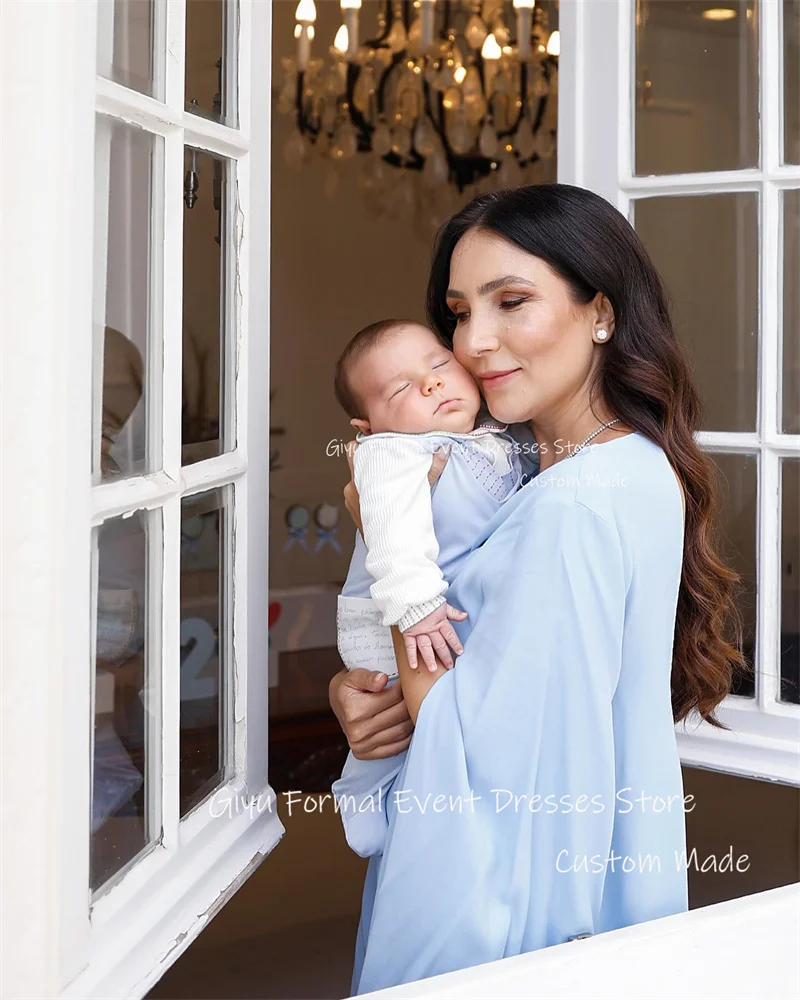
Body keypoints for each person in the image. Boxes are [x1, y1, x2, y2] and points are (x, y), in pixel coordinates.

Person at [328, 184, 744, 995]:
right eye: (457, 312)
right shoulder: (561, 469)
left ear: (601, 311)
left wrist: (387, 548)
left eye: (511, 301)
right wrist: (366, 692)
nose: (475, 342)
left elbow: (476, 746)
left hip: (506, 899)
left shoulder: (575, 504)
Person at [333, 318, 531, 675]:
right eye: (400, 388)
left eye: (440, 364)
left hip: (454, 620)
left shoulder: (493, 433)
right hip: (401, 624)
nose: (432, 383)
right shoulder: (392, 450)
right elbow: (392, 528)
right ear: (368, 428)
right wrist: (415, 607)